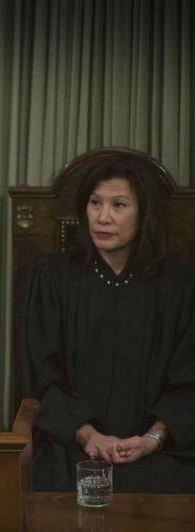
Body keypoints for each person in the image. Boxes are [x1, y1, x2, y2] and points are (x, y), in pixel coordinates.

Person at [17, 152, 195, 493]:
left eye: (119, 205)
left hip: (161, 450)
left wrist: (152, 438)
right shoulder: (52, 277)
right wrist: (90, 436)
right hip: (71, 443)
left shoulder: (181, 286)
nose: (103, 217)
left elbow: (189, 383)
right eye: (95, 203)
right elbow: (40, 375)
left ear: (144, 214)